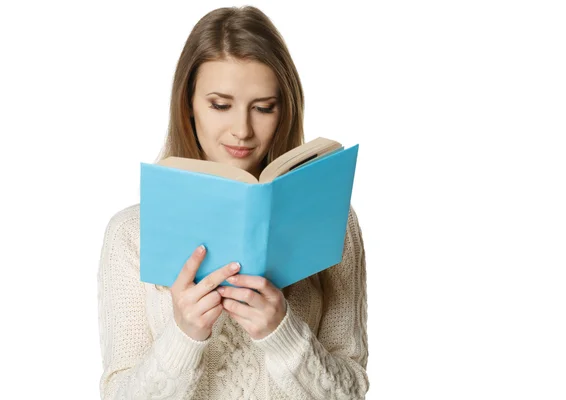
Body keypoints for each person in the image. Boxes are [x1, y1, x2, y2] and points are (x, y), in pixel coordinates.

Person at [97, 5, 369, 399]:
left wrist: (282, 334)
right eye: (220, 105)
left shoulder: (335, 221)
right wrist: (184, 337)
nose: (242, 130)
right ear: (188, 104)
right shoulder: (131, 234)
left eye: (263, 108)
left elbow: (351, 392)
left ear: (284, 109)